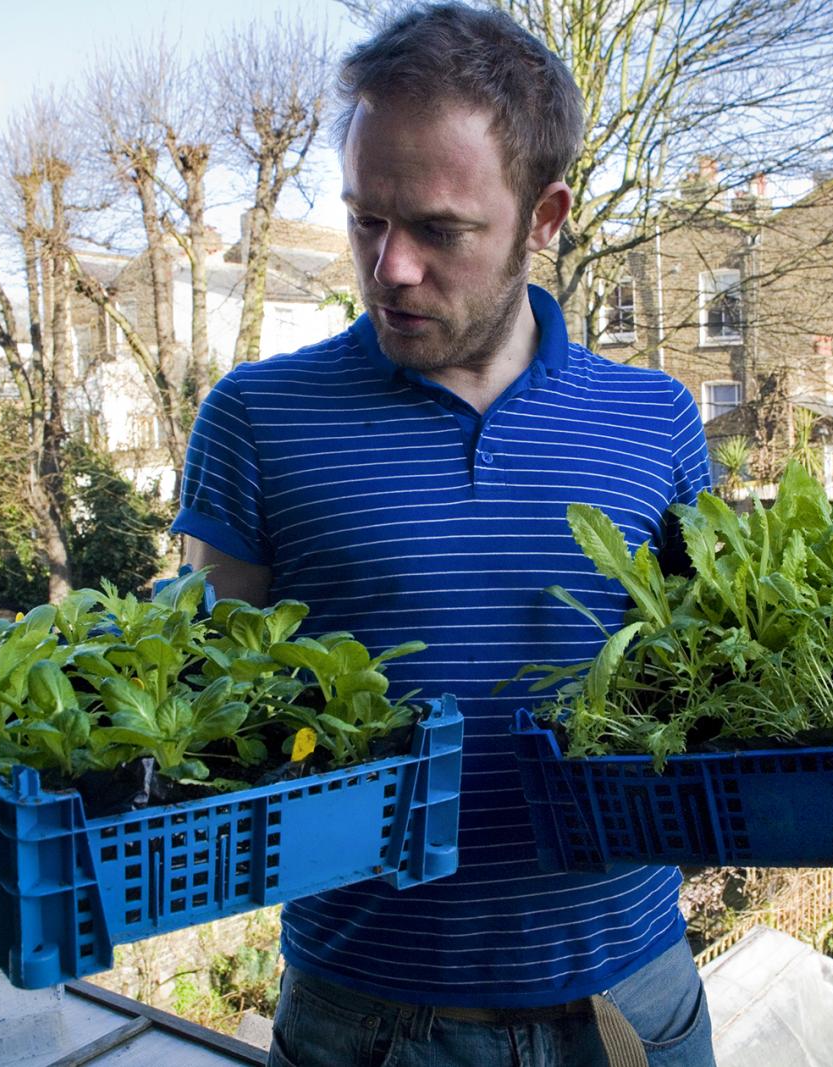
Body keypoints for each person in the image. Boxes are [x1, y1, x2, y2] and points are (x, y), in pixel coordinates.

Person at [172, 5, 715, 1064]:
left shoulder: (657, 422)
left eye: (438, 228)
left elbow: (709, 689)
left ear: (544, 216)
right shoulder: (256, 417)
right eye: (366, 220)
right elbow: (208, 708)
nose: (391, 268)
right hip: (366, 1020)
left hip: (630, 1004)